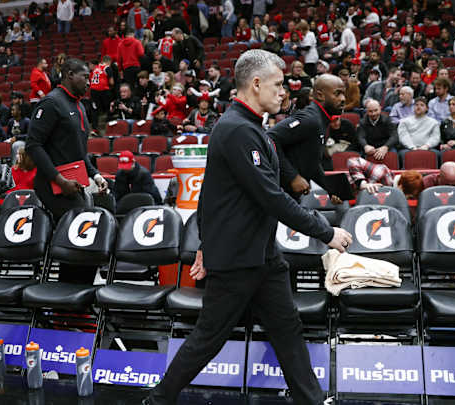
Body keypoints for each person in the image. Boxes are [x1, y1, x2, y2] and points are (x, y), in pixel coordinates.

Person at [143, 49, 350, 405]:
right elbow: (271, 197)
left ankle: (311, 400)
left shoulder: (252, 128)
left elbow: (210, 193)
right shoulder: (237, 129)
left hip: (263, 254)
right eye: (278, 84)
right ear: (256, 83)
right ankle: (157, 401)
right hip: (238, 258)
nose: (283, 92)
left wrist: (205, 242)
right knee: (208, 338)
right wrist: (326, 232)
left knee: (287, 328)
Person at [26, 58, 108, 284]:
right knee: (83, 235)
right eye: (85, 77)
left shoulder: (79, 106)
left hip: (72, 183)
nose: (89, 82)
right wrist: (59, 179)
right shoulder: (51, 102)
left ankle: (76, 293)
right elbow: (33, 145)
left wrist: (95, 175)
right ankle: (70, 293)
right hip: (52, 184)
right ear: (69, 74)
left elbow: (79, 152)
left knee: (84, 238)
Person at [267, 73, 347, 202]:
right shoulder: (310, 119)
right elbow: (269, 138)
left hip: (288, 196)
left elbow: (312, 162)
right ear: (320, 95)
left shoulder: (322, 120)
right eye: (337, 94)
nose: (343, 99)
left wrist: (330, 189)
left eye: (343, 93)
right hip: (275, 193)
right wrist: (293, 177)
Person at [397, 97, 441, 164]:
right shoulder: (404, 121)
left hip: (427, 148)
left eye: (422, 105)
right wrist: (412, 147)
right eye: (416, 105)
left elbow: (435, 137)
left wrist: (426, 146)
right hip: (408, 149)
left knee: (436, 153)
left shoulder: (434, 122)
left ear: (427, 108)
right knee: (402, 154)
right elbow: (403, 136)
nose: (418, 107)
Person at [90, 55, 115, 127]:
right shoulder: (107, 68)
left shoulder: (95, 68)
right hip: (103, 90)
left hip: (93, 90)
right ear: (109, 62)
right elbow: (111, 82)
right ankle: (110, 125)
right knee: (109, 106)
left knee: (95, 109)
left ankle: (94, 128)